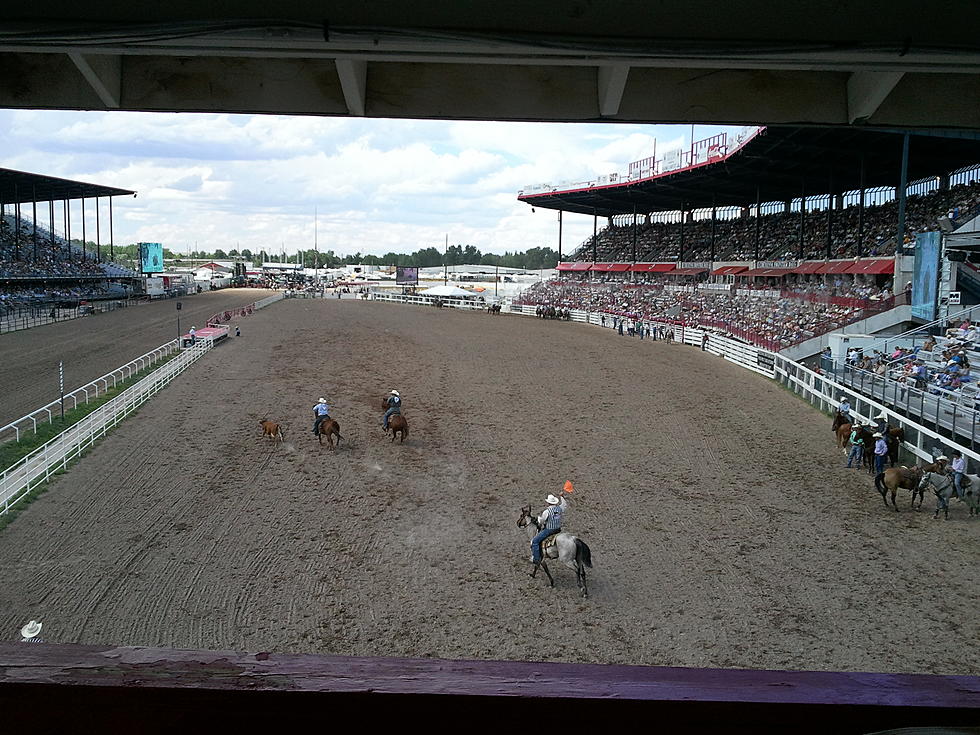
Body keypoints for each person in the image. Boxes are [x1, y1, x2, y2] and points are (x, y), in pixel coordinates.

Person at [530, 490, 568, 565]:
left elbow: (542, 521)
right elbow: (564, 505)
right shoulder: (559, 508)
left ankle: (536, 559)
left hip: (549, 530)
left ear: (548, 502)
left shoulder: (547, 511)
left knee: (535, 541)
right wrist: (562, 496)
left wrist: (538, 519)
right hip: (558, 529)